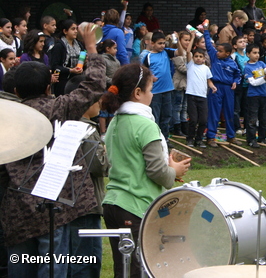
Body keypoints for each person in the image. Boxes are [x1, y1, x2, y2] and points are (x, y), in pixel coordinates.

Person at [1, 23, 104, 278]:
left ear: (16, 91)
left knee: (20, 267)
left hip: (17, 211)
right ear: (49, 87)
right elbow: (94, 85)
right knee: (52, 269)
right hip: (53, 208)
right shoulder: (58, 108)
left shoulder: (7, 118)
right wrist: (90, 47)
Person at [101, 64, 190, 278]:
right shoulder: (145, 125)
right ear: (138, 93)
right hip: (135, 206)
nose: (152, 94)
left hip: (113, 203)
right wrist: (174, 170)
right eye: (150, 90)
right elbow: (157, 172)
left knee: (122, 269)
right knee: (139, 271)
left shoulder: (115, 122)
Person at [64, 76, 109, 278]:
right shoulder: (86, 128)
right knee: (87, 259)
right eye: (96, 99)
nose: (100, 102)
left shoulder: (65, 123)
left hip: (70, 202)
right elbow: (98, 165)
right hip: (86, 203)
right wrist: (108, 151)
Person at [203, 27, 242, 146]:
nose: (217, 52)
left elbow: (238, 74)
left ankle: (231, 136)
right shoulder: (215, 57)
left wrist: (236, 81)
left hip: (228, 89)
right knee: (214, 112)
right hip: (216, 87)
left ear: (228, 53)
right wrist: (205, 31)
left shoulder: (232, 63)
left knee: (229, 112)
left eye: (220, 51)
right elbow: (209, 45)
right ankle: (210, 137)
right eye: (217, 50)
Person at [141, 31, 180, 141]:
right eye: (159, 43)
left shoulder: (166, 52)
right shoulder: (148, 56)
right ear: (152, 43)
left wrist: (178, 42)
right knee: (155, 116)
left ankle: (165, 139)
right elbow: (143, 71)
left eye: (163, 43)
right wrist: (150, 77)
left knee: (167, 116)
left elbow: (180, 52)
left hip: (168, 89)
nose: (162, 45)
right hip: (155, 92)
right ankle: (155, 138)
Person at [185, 34, 217, 148]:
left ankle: (199, 140)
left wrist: (212, 86)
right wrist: (193, 37)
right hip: (191, 95)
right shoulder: (190, 65)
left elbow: (208, 80)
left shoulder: (206, 68)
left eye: (200, 56)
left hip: (202, 96)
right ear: (193, 58)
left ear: (204, 58)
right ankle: (189, 139)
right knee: (193, 119)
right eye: (196, 56)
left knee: (203, 120)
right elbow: (188, 51)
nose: (198, 58)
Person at [50, 19, 84, 96]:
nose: (76, 31)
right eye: (73, 29)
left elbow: (82, 61)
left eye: (76, 29)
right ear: (65, 31)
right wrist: (70, 70)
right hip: (63, 82)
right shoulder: (59, 46)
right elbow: (54, 66)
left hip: (77, 81)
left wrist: (84, 62)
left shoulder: (79, 45)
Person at [244, 44, 266, 148]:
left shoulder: (262, 63)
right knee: (252, 119)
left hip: (263, 94)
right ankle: (251, 139)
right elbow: (253, 83)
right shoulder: (247, 67)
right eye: (254, 53)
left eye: (258, 53)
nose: (257, 55)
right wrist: (265, 78)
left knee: (263, 118)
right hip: (253, 96)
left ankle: (262, 138)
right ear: (248, 54)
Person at [232, 35, 249, 136]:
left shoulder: (248, 55)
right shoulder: (234, 56)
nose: (243, 43)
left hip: (248, 85)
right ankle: (237, 127)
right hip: (238, 85)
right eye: (240, 42)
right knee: (236, 107)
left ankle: (247, 127)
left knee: (246, 107)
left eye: (244, 41)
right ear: (235, 46)